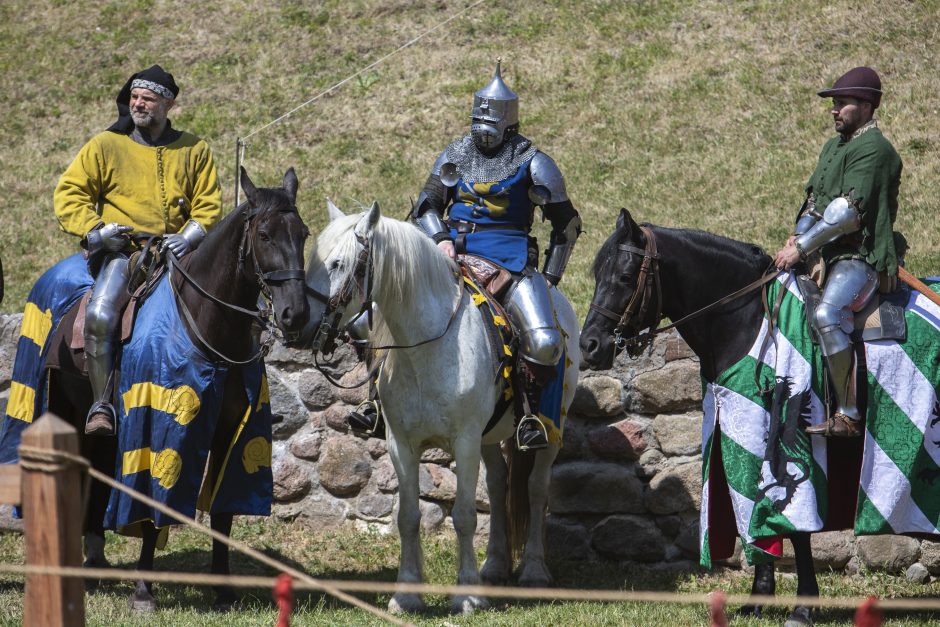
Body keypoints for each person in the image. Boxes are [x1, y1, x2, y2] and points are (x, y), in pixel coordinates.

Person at [347, 60, 581, 450]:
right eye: (478, 119)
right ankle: (375, 401)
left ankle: (529, 417)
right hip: (447, 255)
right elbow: (426, 205)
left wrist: (551, 279)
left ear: (509, 122)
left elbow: (567, 226)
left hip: (509, 260)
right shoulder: (455, 153)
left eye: (490, 121)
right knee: (363, 321)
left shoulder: (535, 162)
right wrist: (440, 238)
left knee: (543, 341)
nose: (481, 129)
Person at [54, 64, 222, 436]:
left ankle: (230, 393)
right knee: (99, 314)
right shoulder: (105, 145)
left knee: (234, 306)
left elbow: (208, 203)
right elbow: (70, 193)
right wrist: (97, 232)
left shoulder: (194, 148)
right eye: (134, 97)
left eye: (147, 98)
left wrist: (191, 235)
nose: (138, 104)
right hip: (125, 252)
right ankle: (101, 404)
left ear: (168, 103)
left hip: (181, 253)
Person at [773, 66, 903, 437]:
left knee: (829, 313)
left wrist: (801, 247)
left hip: (860, 255)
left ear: (866, 106)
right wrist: (793, 240)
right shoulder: (835, 147)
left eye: (842, 103)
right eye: (834, 104)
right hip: (822, 252)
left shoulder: (876, 150)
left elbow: (846, 214)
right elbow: (816, 204)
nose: (834, 110)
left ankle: (848, 415)